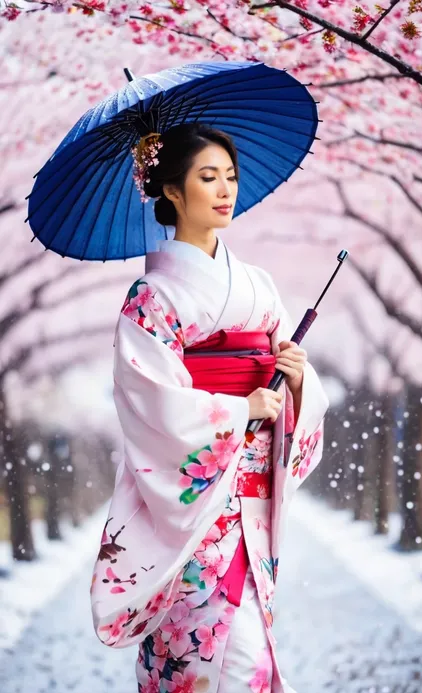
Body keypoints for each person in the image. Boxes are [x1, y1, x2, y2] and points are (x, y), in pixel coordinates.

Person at [90, 122, 328, 693]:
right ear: (171, 190)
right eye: (207, 177)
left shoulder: (259, 284)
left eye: (231, 176)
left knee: (253, 657)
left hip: (251, 494)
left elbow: (281, 379)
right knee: (220, 661)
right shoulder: (152, 297)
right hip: (197, 505)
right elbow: (152, 405)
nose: (225, 190)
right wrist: (236, 406)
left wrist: (296, 380)